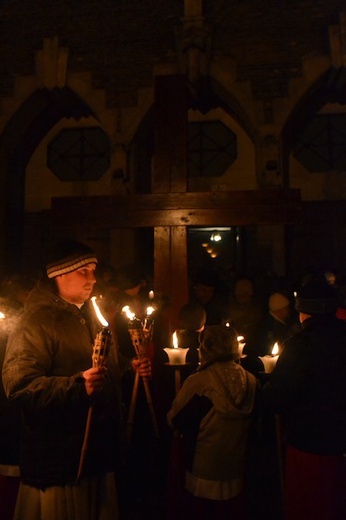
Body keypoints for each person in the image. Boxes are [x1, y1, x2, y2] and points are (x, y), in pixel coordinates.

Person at [1, 241, 151, 520]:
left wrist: (130, 370)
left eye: (93, 270)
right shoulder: (36, 321)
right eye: (83, 270)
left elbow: (103, 373)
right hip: (61, 459)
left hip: (95, 453)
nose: (93, 278)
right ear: (59, 274)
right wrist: (77, 386)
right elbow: (19, 385)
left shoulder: (90, 316)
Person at [263, 279, 346, 520]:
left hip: (310, 443)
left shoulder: (300, 346)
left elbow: (279, 396)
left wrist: (268, 388)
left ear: (302, 312)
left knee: (310, 506)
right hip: (341, 439)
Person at [167, 324, 257, 520]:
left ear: (206, 348)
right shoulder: (251, 380)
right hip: (235, 465)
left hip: (203, 466)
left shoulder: (200, 381)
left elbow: (175, 419)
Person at [245, 291, 295, 357]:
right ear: (280, 310)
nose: (289, 311)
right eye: (286, 308)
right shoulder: (269, 326)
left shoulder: (274, 323)